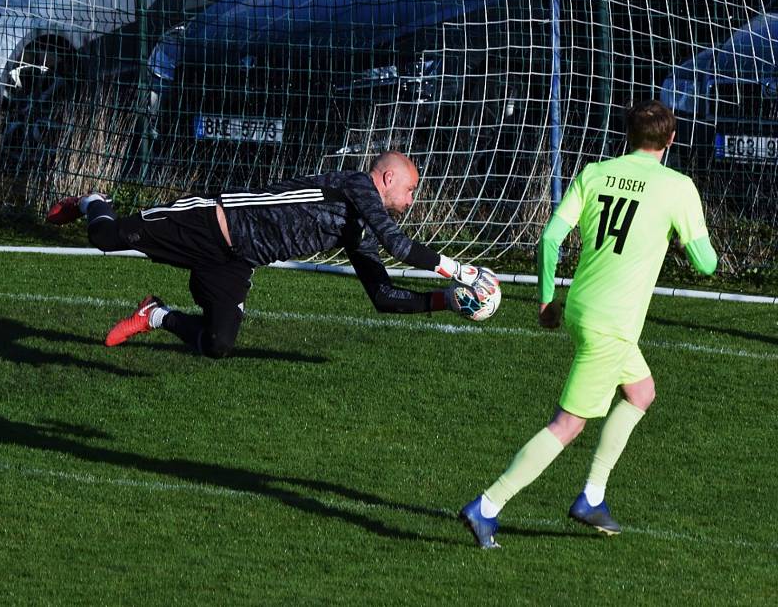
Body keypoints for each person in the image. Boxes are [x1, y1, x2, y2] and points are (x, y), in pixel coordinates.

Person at [459, 100, 718, 548]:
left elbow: (550, 237)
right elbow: (707, 263)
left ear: (628, 135)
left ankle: (593, 496)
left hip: (581, 308)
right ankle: (487, 505)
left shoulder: (595, 173)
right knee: (567, 424)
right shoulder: (679, 187)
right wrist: (678, 237)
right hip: (613, 325)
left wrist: (546, 301)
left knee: (641, 392)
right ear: (671, 140)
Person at [47, 151, 494, 358]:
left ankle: (155, 315)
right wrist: (464, 271)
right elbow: (398, 245)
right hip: (208, 222)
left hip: (236, 262)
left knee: (217, 345)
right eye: (411, 190)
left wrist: (448, 299)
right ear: (389, 178)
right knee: (105, 238)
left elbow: (382, 294)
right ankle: (94, 200)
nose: (412, 201)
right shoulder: (355, 184)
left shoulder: (359, 229)